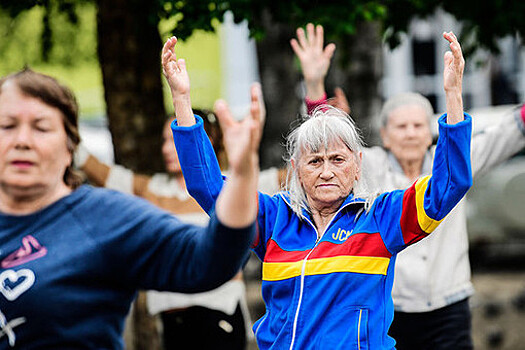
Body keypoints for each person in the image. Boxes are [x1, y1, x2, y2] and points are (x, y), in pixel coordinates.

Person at [165, 30, 473, 349]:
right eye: (314, 161)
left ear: (357, 165)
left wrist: (452, 95)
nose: (326, 171)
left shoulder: (380, 218)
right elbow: (209, 189)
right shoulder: (274, 219)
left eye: (337, 159)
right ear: (296, 169)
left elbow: (450, 183)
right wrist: (182, 102)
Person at [291, 23, 525, 349]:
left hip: (449, 305)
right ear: (385, 135)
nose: (411, 133)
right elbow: (326, 143)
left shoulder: (452, 163)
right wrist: (315, 81)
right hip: (392, 309)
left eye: (419, 125)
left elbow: (507, 133)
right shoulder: (366, 166)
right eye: (401, 126)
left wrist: (454, 92)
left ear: (430, 131)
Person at [0, 68, 259, 349]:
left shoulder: (106, 219)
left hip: (217, 321)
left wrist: (243, 175)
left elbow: (209, 259)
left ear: (70, 148)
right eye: (7, 126)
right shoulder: (152, 189)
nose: (22, 141)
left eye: (41, 127)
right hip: (171, 323)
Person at [75, 104, 285, 350]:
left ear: (206, 141)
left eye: (174, 140)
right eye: (165, 141)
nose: (166, 149)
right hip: (171, 320)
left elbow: (302, 173)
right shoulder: (153, 190)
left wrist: (320, 105)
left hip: (219, 316)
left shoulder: (237, 183)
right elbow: (104, 174)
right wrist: (64, 136)